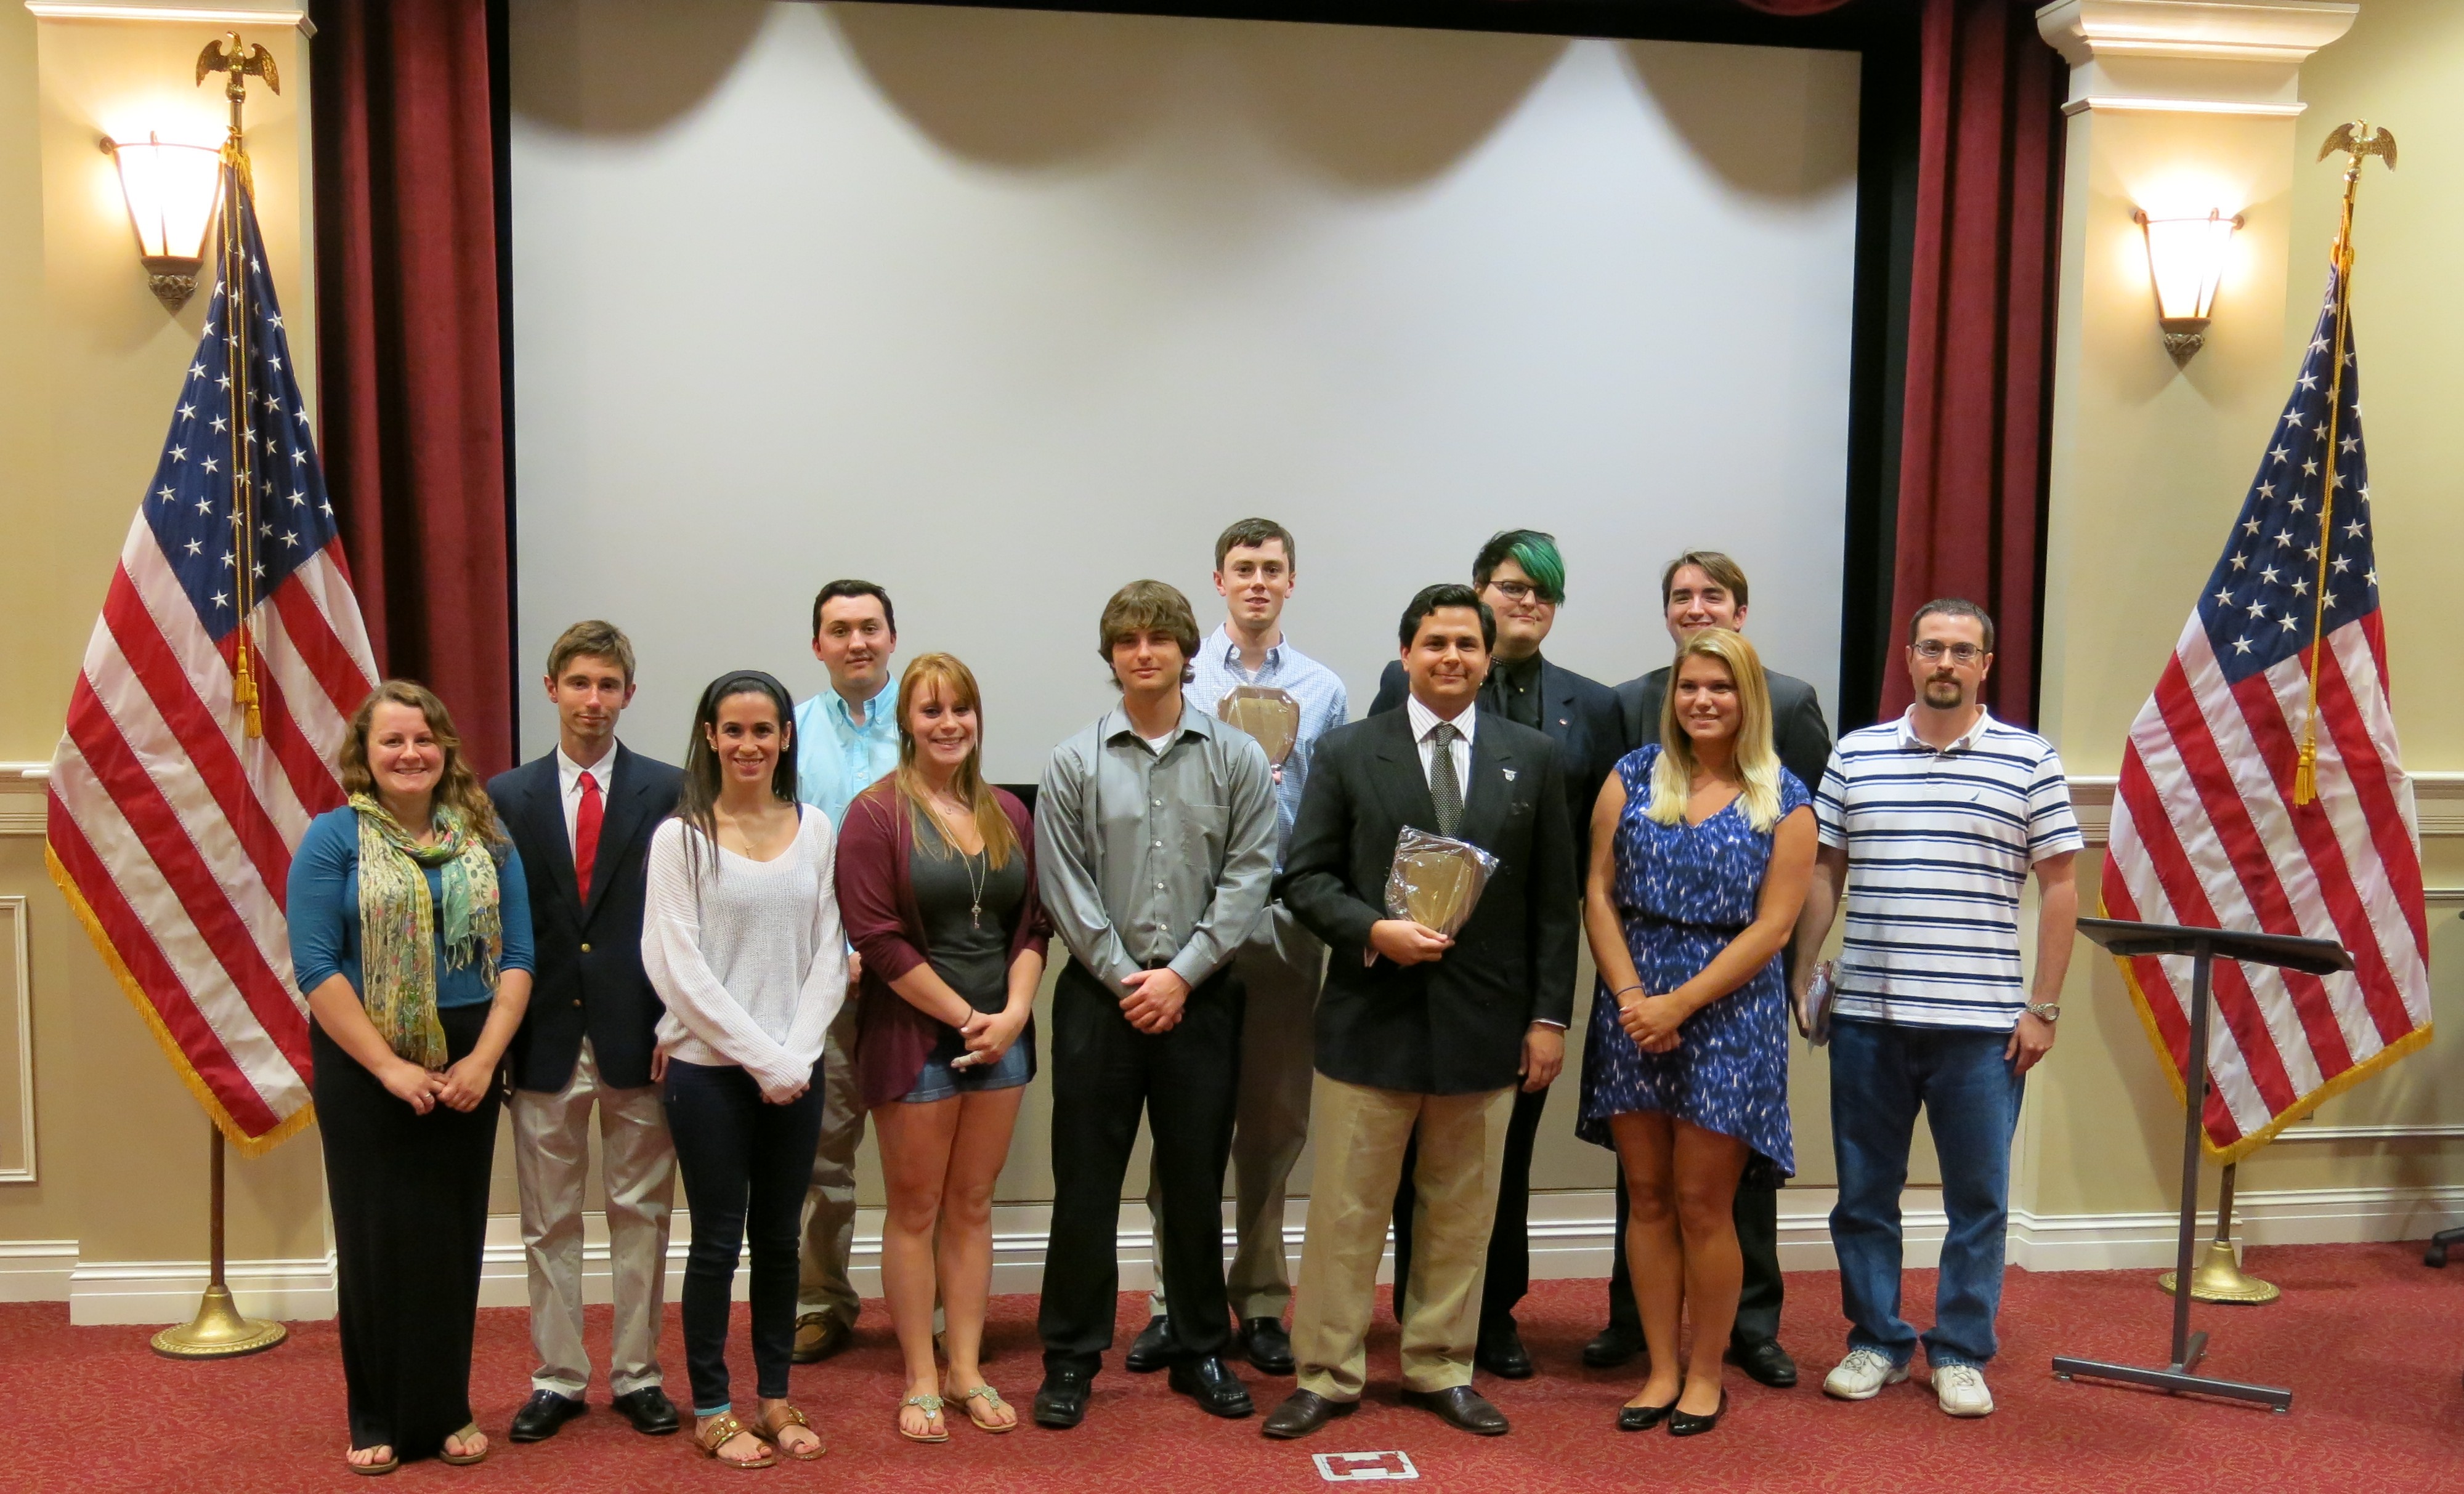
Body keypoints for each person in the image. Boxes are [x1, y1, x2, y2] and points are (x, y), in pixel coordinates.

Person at [1263, 584, 1578, 1441]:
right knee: (1346, 1212)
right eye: (1435, 642)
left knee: (1461, 1214)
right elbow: (1306, 878)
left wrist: (1549, 1018)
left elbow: (1554, 904)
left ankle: (1441, 1364)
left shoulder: (1532, 757)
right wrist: (1374, 930)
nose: (1451, 657)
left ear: (1488, 657)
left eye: (1467, 644)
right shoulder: (1346, 750)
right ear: (1406, 654)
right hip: (1371, 1017)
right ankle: (1326, 1372)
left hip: (1485, 1026)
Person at [1793, 600, 2080, 1419]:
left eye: (1962, 649)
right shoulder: (1856, 753)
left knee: (1978, 1202)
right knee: (1863, 1194)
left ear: (1986, 664)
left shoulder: (2030, 759)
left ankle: (1958, 1349)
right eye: (1932, 647)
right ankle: (1877, 1340)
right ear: (1909, 657)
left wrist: (2044, 1007)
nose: (1945, 661)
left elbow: (2061, 885)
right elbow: (1826, 869)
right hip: (1868, 1022)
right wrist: (1802, 971)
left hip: (1981, 1030)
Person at [1368, 530, 1619, 1378]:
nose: (1528, 603)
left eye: (1544, 592)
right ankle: (1422, 1309)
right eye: (1513, 587)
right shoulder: (1404, 682)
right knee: (1416, 1153)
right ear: (1479, 592)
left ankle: (1496, 1310)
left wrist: (1550, 1006)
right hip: (1416, 953)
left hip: (1516, 965)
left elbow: (1579, 861)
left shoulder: (1592, 707)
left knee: (1503, 1155)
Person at [1032, 580, 1278, 1428]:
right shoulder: (1074, 760)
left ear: (1185, 650)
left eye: (1160, 638)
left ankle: (1200, 1345)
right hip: (1099, 1000)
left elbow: (1250, 874)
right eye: (1128, 640)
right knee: (1085, 1185)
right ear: (1111, 655)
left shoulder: (1236, 757)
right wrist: (1127, 977)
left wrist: (1183, 975)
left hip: (1201, 999)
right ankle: (1071, 1356)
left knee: (1194, 1180)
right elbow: (1065, 885)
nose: (1144, 653)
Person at [1591, 550, 1834, 1386]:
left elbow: (1774, 925)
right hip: (1632, 1009)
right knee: (1648, 1198)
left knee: (1705, 1203)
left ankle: (1705, 1373)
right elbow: (1597, 892)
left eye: (1721, 688)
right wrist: (1634, 998)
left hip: (1729, 1011)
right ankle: (1660, 1367)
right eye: (1690, 687)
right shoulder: (1631, 776)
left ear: (1748, 697)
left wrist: (1679, 1003)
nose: (1702, 699)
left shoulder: (1785, 797)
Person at [290, 680, 536, 1473]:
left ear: (445, 750)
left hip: (468, 1057)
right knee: (376, 1242)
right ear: (364, 755)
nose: (410, 753)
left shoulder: (487, 838)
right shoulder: (333, 839)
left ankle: (447, 1407)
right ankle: (377, 1413)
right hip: (365, 1060)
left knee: (450, 1239)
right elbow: (316, 966)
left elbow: (518, 958)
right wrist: (391, 1067)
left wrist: (484, 1060)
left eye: (424, 738)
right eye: (392, 740)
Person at [1126, 518, 1347, 1381]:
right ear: (1218, 580)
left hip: (1283, 921)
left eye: (1272, 568)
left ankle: (1258, 1299)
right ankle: (1172, 1301)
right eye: (1243, 568)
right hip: (1186, 927)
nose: (1258, 581)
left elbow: (1329, 809)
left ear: (1291, 581)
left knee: (1274, 1120)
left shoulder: (1323, 689)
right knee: (1183, 1120)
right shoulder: (1186, 677)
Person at [837, 653, 1052, 1442]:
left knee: (972, 1205)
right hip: (915, 1038)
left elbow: (1033, 924)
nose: (949, 723)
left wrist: (1014, 1012)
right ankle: (920, 1376)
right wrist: (968, 1016)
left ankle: (964, 1369)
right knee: (916, 1208)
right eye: (931, 711)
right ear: (906, 722)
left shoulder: (1008, 811)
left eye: (961, 708)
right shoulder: (874, 815)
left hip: (1003, 1037)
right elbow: (877, 938)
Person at [642, 670, 848, 1468]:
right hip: (709, 1073)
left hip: (796, 1069)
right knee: (717, 1243)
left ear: (786, 737)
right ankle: (713, 1407)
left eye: (764, 729)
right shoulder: (681, 838)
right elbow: (676, 967)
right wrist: (764, 1059)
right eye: (733, 729)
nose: (749, 744)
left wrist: (795, 1055)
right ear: (709, 736)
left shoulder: (816, 827)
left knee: (780, 1240)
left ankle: (773, 1395)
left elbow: (830, 953)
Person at [490, 622, 685, 1444]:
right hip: (542, 1036)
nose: (593, 700)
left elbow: (686, 920)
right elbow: (498, 923)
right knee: (549, 1219)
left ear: (629, 694)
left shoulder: (670, 790)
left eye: (608, 685)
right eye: (579, 683)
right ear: (551, 689)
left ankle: (638, 1372)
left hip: (641, 1035)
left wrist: (679, 1020)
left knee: (641, 1211)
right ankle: (559, 1376)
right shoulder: (506, 796)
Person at [789, 579, 902, 1365]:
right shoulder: (788, 733)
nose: (856, 641)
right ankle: (820, 1300)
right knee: (821, 1155)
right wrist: (835, 952)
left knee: (922, 1154)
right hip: (819, 977)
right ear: (817, 645)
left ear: (892, 637)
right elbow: (776, 852)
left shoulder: (930, 722)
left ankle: (932, 1302)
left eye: (869, 627)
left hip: (915, 980)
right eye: (840, 629)